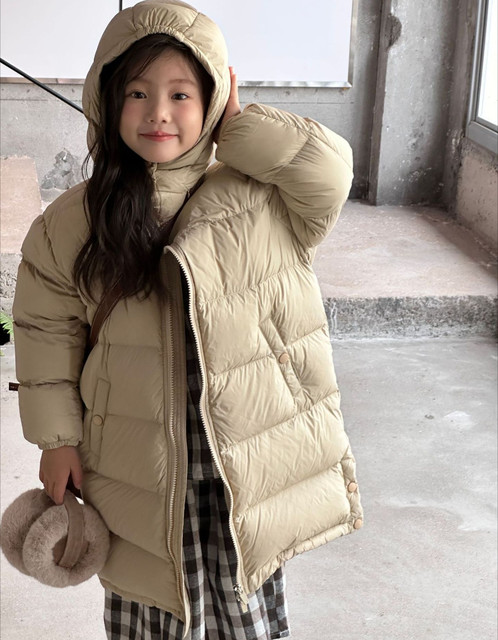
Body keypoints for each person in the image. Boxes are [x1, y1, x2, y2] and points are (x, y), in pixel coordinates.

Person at [12, 1, 363, 638]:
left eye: (181, 94)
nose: (158, 113)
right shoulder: (72, 222)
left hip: (243, 453)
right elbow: (46, 332)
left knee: (244, 600)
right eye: (137, 93)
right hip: (136, 456)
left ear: (215, 98)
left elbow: (330, 172)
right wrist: (56, 439)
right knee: (149, 592)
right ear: (107, 100)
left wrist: (242, 127)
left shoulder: (261, 199)